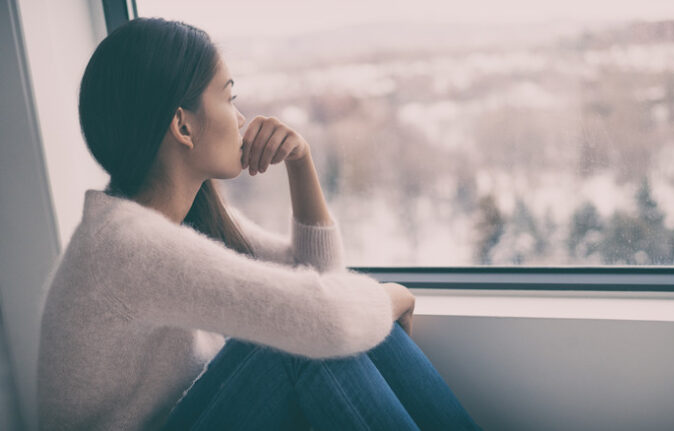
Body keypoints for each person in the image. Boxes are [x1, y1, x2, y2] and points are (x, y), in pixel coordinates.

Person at [36, 16, 482, 431]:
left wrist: (301, 163)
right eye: (229, 98)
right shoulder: (126, 247)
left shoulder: (179, 219)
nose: (241, 118)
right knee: (302, 337)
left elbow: (318, 282)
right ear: (183, 126)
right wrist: (393, 297)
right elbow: (325, 321)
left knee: (331, 325)